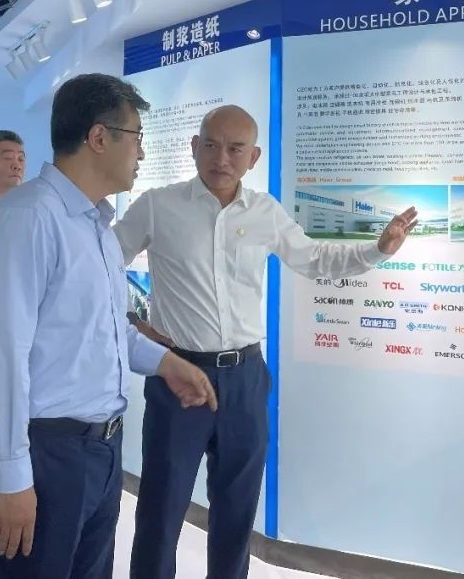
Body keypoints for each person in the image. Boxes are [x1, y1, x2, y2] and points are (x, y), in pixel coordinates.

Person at [115, 105, 418, 579]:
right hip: (179, 376)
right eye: (211, 145)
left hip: (246, 378)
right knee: (161, 507)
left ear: (253, 157)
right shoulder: (157, 205)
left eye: (235, 149)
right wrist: (131, 321)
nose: (222, 158)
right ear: (194, 147)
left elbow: (313, 258)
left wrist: (376, 251)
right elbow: (100, 264)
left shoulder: (264, 211)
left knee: (237, 510)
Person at [0, 73, 218, 578]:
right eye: (137, 137)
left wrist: (167, 363)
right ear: (99, 137)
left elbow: (104, 329)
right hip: (44, 453)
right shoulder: (27, 220)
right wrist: (11, 478)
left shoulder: (95, 227)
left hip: (99, 451)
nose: (142, 153)